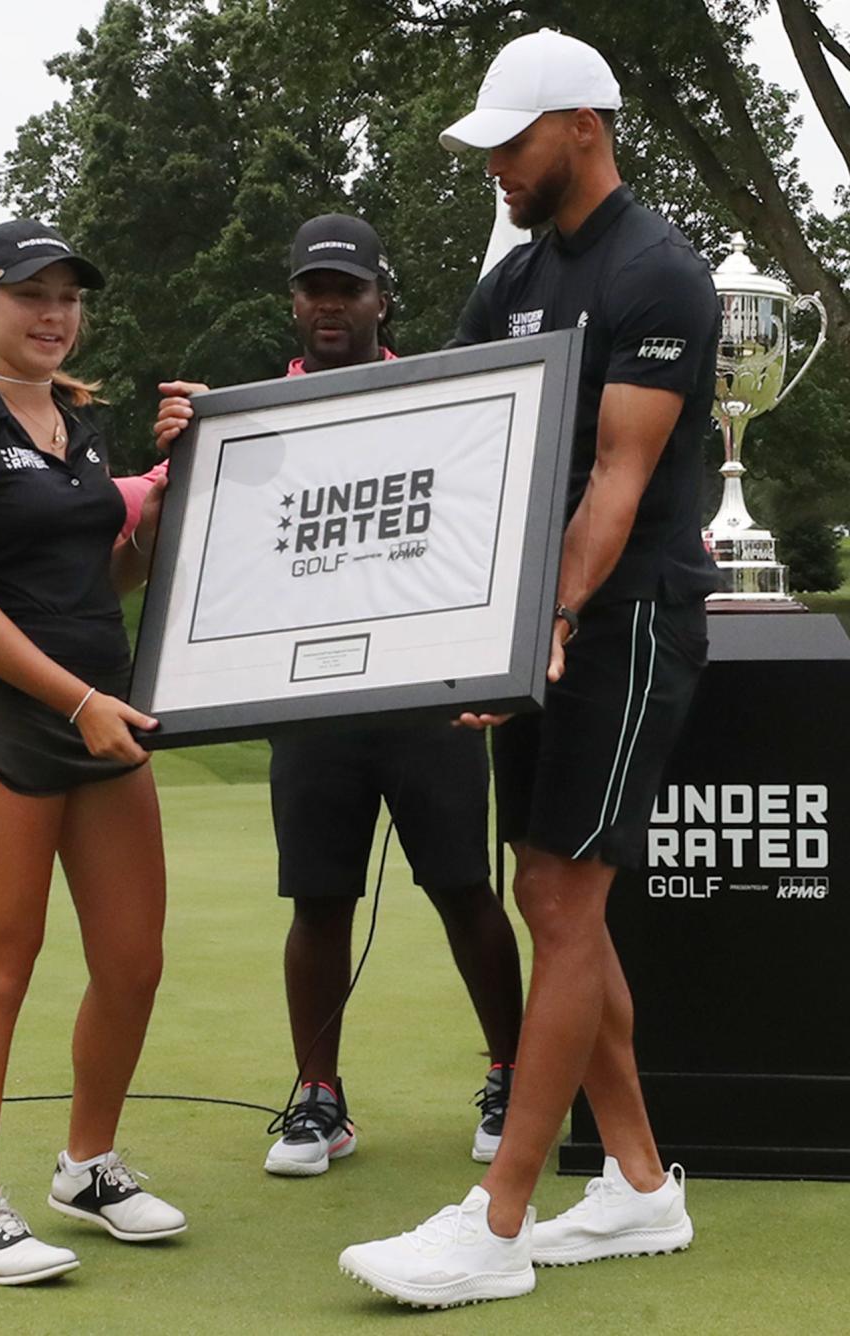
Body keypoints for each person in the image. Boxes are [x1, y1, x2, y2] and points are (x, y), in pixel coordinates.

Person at [338, 29, 721, 1307]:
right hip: (536, 616)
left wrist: (546, 622)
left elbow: (615, 484)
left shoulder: (658, 272)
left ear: (583, 128)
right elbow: (454, 435)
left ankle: (499, 1222)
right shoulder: (513, 276)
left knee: (563, 897)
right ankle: (641, 1185)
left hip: (628, 614)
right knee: (546, 893)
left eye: (512, 140)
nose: (495, 164)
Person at [145, 214, 524, 1178]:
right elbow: (177, 531)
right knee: (317, 900)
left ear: (379, 300)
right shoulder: (247, 422)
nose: (329, 303)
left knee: (463, 888)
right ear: (293, 300)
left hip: (427, 685)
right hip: (308, 700)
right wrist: (178, 457)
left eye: (347, 289)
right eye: (313, 287)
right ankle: (320, 1098)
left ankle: (513, 1072)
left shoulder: (441, 400)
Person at [0, 220, 186, 1286]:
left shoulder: (83, 423)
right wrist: (79, 702)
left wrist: (158, 512)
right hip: (7, 724)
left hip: (97, 713)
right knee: (0, 964)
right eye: (31, 296)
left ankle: (88, 1164)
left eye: (68, 297)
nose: (54, 316)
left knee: (131, 959)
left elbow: (102, 578)